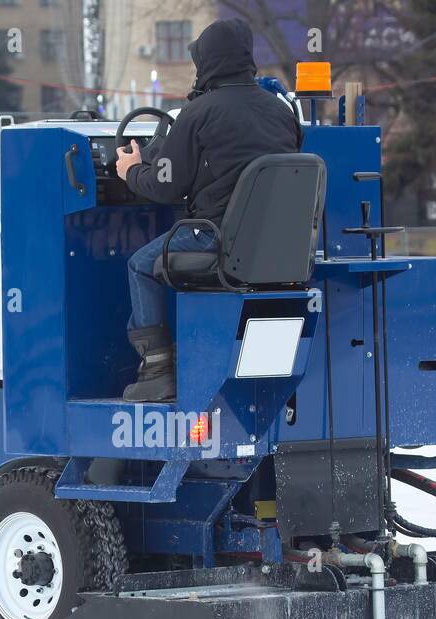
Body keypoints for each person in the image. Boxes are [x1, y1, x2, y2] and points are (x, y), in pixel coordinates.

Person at [114, 18, 303, 402]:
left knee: (140, 265)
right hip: (278, 247)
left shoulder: (198, 114)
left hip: (214, 238)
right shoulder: (282, 113)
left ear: (207, 62)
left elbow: (165, 186)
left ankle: (158, 370)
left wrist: (131, 169)